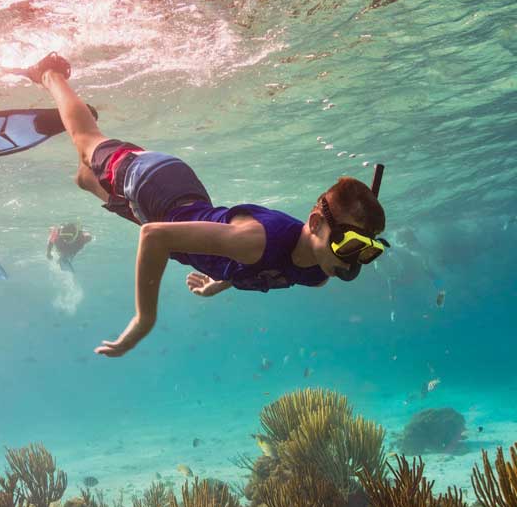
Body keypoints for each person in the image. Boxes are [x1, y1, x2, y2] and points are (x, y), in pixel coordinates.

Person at [24, 53, 388, 358]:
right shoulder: (256, 239)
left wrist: (220, 282)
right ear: (316, 223)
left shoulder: (317, 273)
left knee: (87, 179)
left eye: (366, 251)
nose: (351, 262)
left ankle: (87, 160)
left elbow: (267, 266)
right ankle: (51, 73)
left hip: (172, 209)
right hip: (156, 185)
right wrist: (143, 321)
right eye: (348, 244)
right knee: (87, 140)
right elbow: (154, 236)